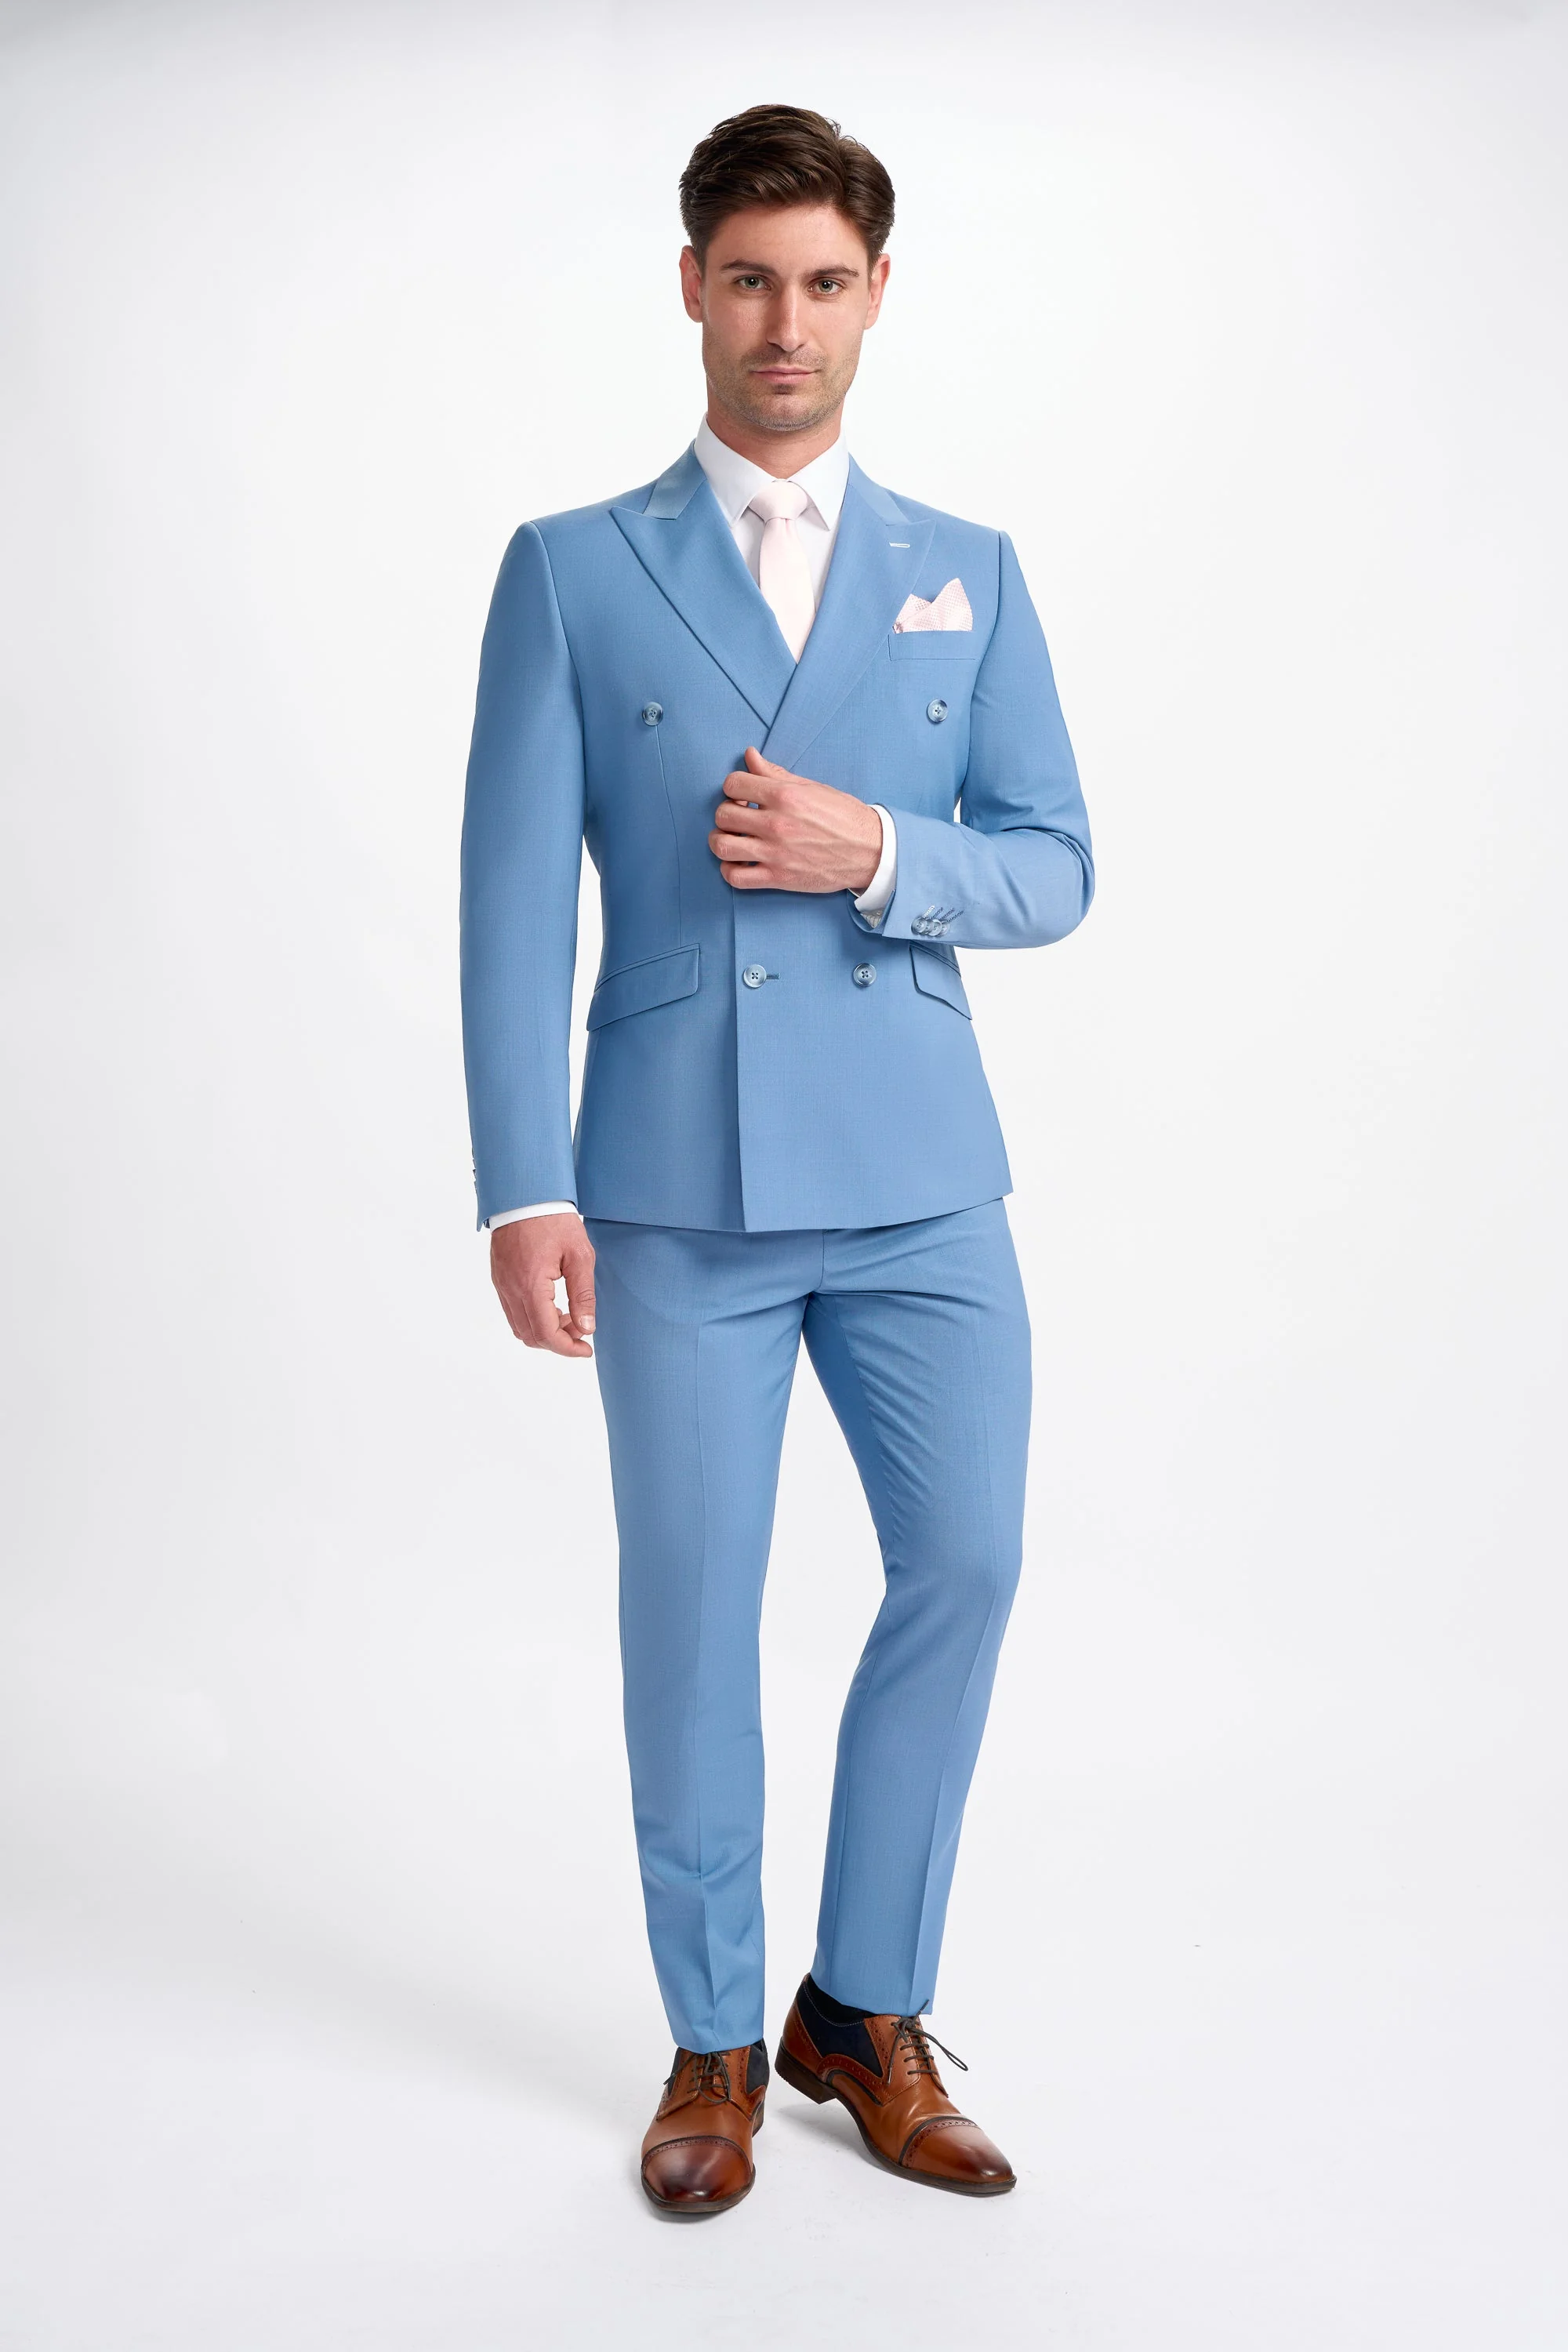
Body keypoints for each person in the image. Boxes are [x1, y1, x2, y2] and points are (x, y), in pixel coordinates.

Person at [459, 103, 1094, 2215]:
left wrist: (877, 849)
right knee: (693, 1612)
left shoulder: (967, 570)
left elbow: (1055, 865)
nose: (786, 324)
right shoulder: (574, 568)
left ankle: (866, 2010)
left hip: (920, 1175)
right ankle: (717, 2040)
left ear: (877, 296)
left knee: (969, 1563)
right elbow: (505, 904)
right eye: (750, 280)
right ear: (691, 288)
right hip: (675, 1187)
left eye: (825, 282)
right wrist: (521, 1182)